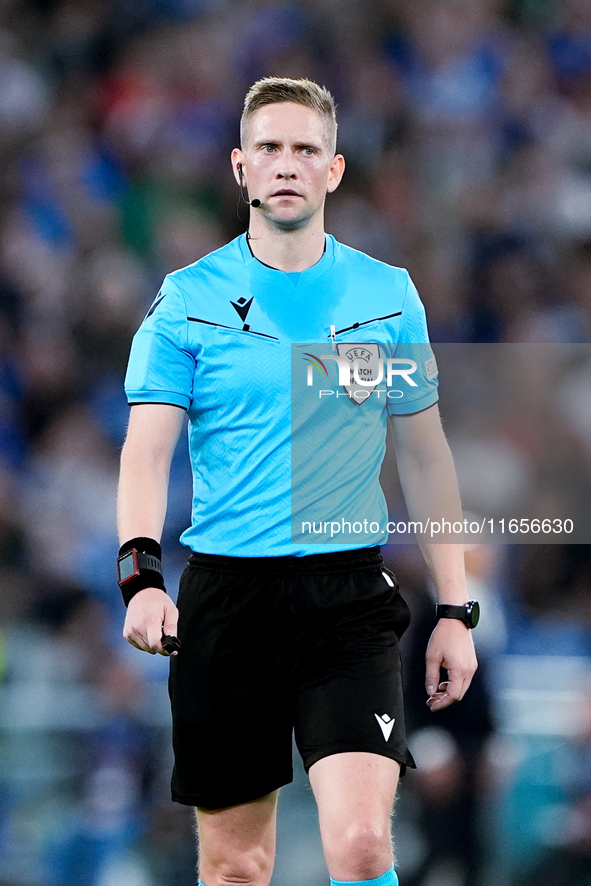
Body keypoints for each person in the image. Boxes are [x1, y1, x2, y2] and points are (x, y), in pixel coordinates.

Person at [116, 77, 478, 886]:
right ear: (241, 167)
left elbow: (425, 455)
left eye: (305, 149)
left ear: (334, 170)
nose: (287, 164)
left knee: (361, 845)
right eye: (270, 149)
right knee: (238, 865)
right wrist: (140, 575)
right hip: (227, 602)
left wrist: (456, 608)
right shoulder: (185, 301)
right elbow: (145, 451)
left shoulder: (387, 295)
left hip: (344, 597)